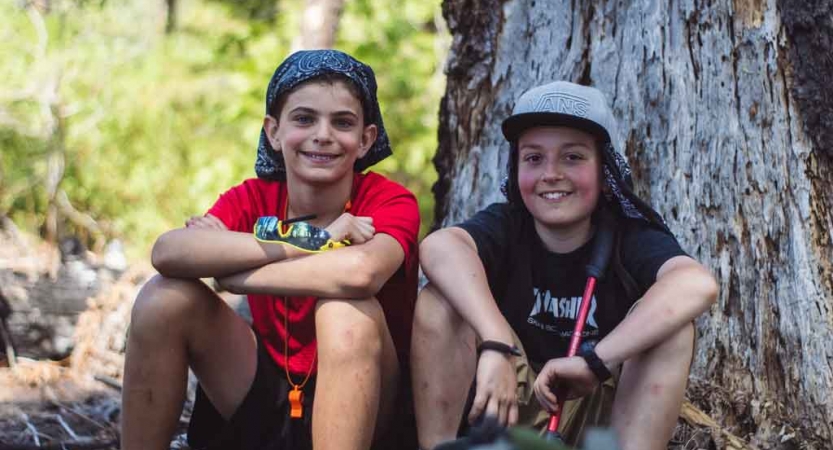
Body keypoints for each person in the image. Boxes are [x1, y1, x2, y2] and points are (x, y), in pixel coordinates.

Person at [121, 49, 420, 450]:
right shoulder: (254, 197)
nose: (323, 134)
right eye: (304, 118)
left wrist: (235, 275)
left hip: (370, 409)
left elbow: (360, 273)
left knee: (347, 310)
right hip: (266, 391)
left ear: (366, 139)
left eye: (343, 122)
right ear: (273, 132)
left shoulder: (389, 200)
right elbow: (169, 252)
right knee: (163, 297)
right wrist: (313, 238)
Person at [412, 81, 718, 450]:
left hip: (596, 419)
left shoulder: (629, 236)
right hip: (506, 404)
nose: (551, 173)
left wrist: (593, 362)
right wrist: (497, 342)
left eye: (572, 157)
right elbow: (439, 246)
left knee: (673, 330)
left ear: (605, 171)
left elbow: (695, 284)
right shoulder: (508, 224)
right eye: (533, 158)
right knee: (440, 300)